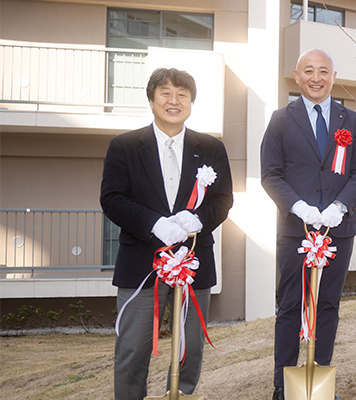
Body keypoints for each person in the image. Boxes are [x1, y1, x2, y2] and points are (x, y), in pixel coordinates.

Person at [101, 67, 234, 400]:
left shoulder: (211, 147)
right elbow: (112, 198)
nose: (174, 101)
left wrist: (198, 221)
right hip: (140, 262)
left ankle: (182, 395)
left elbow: (223, 199)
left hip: (194, 259)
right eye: (166, 93)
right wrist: (154, 224)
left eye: (182, 95)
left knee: (190, 346)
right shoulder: (125, 146)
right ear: (151, 99)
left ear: (191, 102)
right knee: (132, 348)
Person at [260, 49, 356, 400]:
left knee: (327, 305)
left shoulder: (351, 120)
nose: (316, 77)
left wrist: (340, 206)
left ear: (333, 77)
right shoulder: (281, 119)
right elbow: (270, 174)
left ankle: (319, 380)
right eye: (309, 71)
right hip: (296, 229)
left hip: (338, 229)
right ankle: (283, 386)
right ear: (297, 76)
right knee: (291, 305)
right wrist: (298, 207)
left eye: (324, 71)